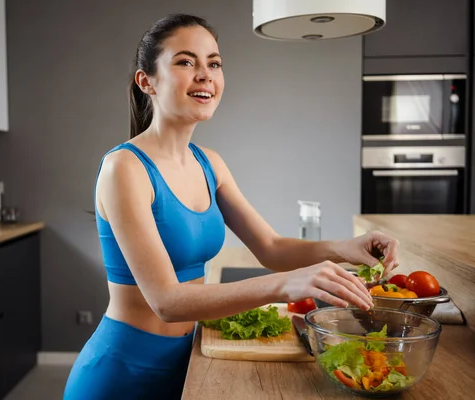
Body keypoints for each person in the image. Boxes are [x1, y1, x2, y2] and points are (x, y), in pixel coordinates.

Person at [63, 13, 399, 400]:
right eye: (186, 61)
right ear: (147, 81)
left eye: (214, 63)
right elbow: (168, 302)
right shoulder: (124, 168)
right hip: (122, 374)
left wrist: (343, 247)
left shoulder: (210, 163)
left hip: (187, 358)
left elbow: (271, 248)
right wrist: (285, 285)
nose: (205, 74)